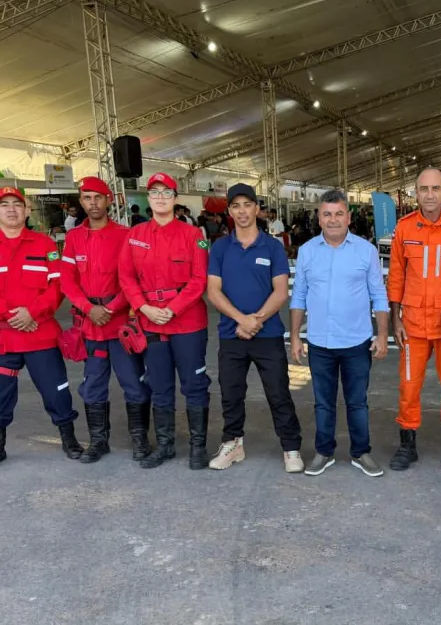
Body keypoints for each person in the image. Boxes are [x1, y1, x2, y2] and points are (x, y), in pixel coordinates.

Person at [0, 187, 83, 471]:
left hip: (41, 333)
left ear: (27, 210)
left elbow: (58, 286)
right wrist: (9, 314)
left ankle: (69, 438)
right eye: (3, 205)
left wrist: (33, 312)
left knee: (57, 390)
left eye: (17, 204)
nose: (11, 209)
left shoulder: (43, 244)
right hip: (4, 336)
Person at [289, 189, 389, 478]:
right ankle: (324, 451)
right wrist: (296, 336)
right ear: (319, 218)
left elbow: (378, 295)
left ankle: (361, 452)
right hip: (319, 343)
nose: (333, 219)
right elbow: (299, 297)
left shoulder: (365, 251)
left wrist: (381, 335)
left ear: (348, 217)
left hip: (356, 343)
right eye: (327, 214)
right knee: (323, 402)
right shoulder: (307, 251)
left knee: (357, 401)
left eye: (339, 213)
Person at [206, 183, 303, 473]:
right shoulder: (221, 247)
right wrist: (240, 320)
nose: (242, 211)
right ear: (229, 212)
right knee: (230, 392)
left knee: (278, 392)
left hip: (268, 334)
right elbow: (213, 291)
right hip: (231, 334)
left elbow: (280, 291)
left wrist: (255, 320)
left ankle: (291, 447)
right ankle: (233, 444)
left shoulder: (272, 246)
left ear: (257, 209)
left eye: (247, 204)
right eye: (235, 206)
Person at [119, 173, 211, 469]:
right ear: (148, 198)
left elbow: (199, 280)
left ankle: (198, 446)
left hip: (187, 321)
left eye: (166, 192)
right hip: (150, 320)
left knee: (194, 384)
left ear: (175, 198)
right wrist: (143, 307)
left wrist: (173, 308)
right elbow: (126, 277)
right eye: (155, 192)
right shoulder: (135, 235)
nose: (160, 197)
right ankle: (166, 445)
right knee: (160, 386)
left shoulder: (193, 235)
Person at [387, 167, 441, 473]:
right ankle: (407, 445)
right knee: (408, 387)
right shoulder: (405, 228)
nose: (430, 194)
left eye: (436, 188)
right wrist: (395, 318)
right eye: (424, 189)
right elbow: (396, 275)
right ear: (415, 192)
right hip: (412, 323)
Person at [62, 176, 152, 465]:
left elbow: (133, 280)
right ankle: (99, 440)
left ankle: (140, 439)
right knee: (92, 384)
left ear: (109, 200)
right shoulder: (74, 238)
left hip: (121, 323)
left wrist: (110, 308)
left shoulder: (126, 235)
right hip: (90, 323)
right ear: (81, 202)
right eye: (87, 198)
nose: (93, 203)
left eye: (98, 197)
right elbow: (67, 280)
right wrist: (88, 308)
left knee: (134, 383)